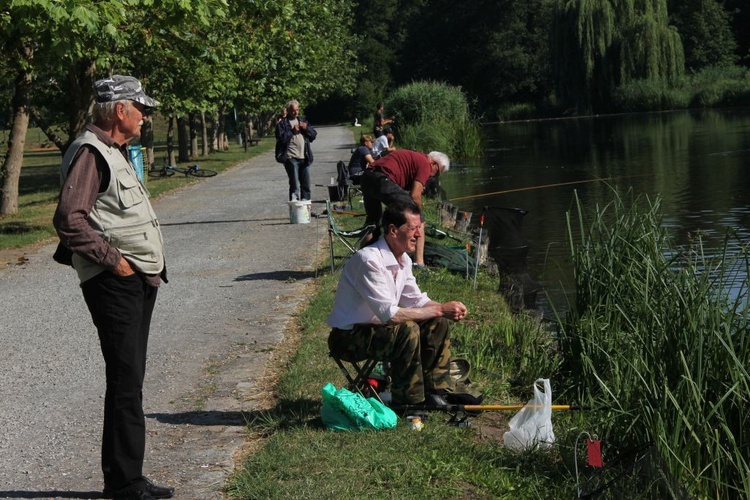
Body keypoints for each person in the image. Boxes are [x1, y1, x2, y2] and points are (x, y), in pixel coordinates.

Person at [53, 75, 174, 500]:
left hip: (137, 279)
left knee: (131, 378)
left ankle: (127, 478)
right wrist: (117, 263)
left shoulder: (114, 150)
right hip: (114, 282)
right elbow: (70, 219)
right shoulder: (91, 152)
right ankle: (124, 485)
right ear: (120, 110)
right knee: (125, 380)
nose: (145, 116)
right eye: (140, 108)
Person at [327, 203, 468, 408]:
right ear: (393, 230)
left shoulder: (403, 260)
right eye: (413, 229)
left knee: (437, 322)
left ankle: (435, 390)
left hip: (374, 331)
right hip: (348, 338)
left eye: (420, 228)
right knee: (407, 329)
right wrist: (439, 309)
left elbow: (417, 300)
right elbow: (389, 315)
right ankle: (408, 401)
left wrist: (446, 309)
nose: (419, 235)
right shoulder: (368, 260)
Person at [360, 149, 450, 267]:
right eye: (437, 172)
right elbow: (415, 195)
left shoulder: (416, 157)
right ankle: (419, 263)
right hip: (383, 179)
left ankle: (361, 257)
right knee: (419, 221)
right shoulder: (425, 164)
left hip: (368, 177)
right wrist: (419, 211)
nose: (434, 176)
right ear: (433, 163)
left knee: (373, 221)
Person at [275, 99, 317, 201]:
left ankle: (305, 209)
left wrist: (306, 128)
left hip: (304, 156)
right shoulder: (282, 124)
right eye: (293, 110)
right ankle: (295, 208)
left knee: (306, 185)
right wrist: (292, 131)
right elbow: (281, 140)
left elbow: (313, 135)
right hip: (291, 157)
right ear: (288, 110)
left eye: (297, 110)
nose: (296, 112)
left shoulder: (303, 120)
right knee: (295, 185)